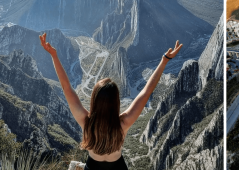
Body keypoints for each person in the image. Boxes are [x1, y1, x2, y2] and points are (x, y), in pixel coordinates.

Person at [39, 33, 182, 170]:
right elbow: (146, 91)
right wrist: (164, 61)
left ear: (94, 100)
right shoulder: (123, 124)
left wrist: (54, 55)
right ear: (116, 103)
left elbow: (66, 87)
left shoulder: (86, 122)